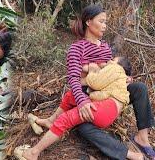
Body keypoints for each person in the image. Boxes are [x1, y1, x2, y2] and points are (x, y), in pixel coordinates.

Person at [21, 4, 154, 160]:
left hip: (109, 94)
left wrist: (124, 78)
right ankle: (126, 154)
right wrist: (82, 102)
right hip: (90, 96)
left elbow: (110, 73)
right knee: (84, 128)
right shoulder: (77, 48)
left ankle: (142, 138)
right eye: (101, 21)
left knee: (139, 88)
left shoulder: (105, 48)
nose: (105, 26)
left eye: (106, 22)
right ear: (88, 22)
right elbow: (73, 79)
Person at [14, 57, 144, 160]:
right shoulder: (118, 81)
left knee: (66, 118)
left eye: (113, 60)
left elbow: (95, 83)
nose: (109, 61)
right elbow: (98, 89)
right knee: (72, 96)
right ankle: (51, 121)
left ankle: (33, 153)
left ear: (119, 65)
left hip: (107, 108)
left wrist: (92, 70)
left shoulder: (116, 69)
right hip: (107, 109)